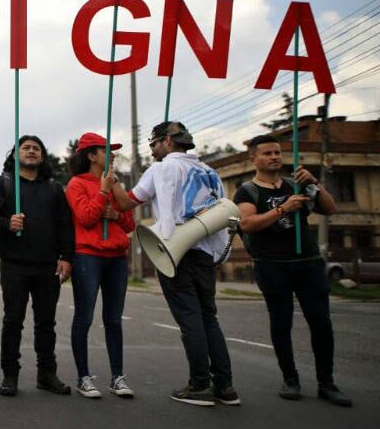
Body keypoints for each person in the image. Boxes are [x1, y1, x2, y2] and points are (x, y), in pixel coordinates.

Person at [110, 121, 239, 407]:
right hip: (205, 253)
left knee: (189, 319)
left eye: (154, 144)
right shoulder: (209, 171)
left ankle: (200, 385)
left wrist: (113, 181)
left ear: (167, 141)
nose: (153, 151)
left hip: (175, 252)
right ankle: (225, 386)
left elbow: (126, 203)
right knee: (208, 318)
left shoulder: (160, 169)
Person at [234, 134, 351, 406]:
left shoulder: (296, 184)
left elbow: (330, 209)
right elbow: (248, 224)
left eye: (277, 152)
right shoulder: (248, 191)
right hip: (273, 266)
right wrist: (284, 209)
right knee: (281, 322)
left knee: (321, 322)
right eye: (267, 153)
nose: (274, 157)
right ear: (253, 159)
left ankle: (327, 383)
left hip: (308, 263)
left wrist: (315, 185)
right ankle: (291, 379)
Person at [0, 135, 74, 397]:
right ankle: (10, 375)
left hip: (47, 265)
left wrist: (66, 257)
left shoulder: (54, 188)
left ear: (42, 156)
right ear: (15, 155)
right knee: (13, 321)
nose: (32, 151)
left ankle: (47, 374)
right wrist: (6, 224)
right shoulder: (2, 184)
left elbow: (65, 225)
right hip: (14, 265)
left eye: (37, 148)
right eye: (26, 148)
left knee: (46, 323)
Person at [64, 133, 135, 399]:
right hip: (87, 257)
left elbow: (130, 224)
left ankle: (118, 377)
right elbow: (86, 217)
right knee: (84, 317)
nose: (113, 154)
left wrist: (116, 213)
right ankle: (84, 377)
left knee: (114, 319)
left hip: (116, 258)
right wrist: (103, 191)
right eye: (107, 150)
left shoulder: (116, 183)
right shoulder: (76, 184)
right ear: (91, 155)